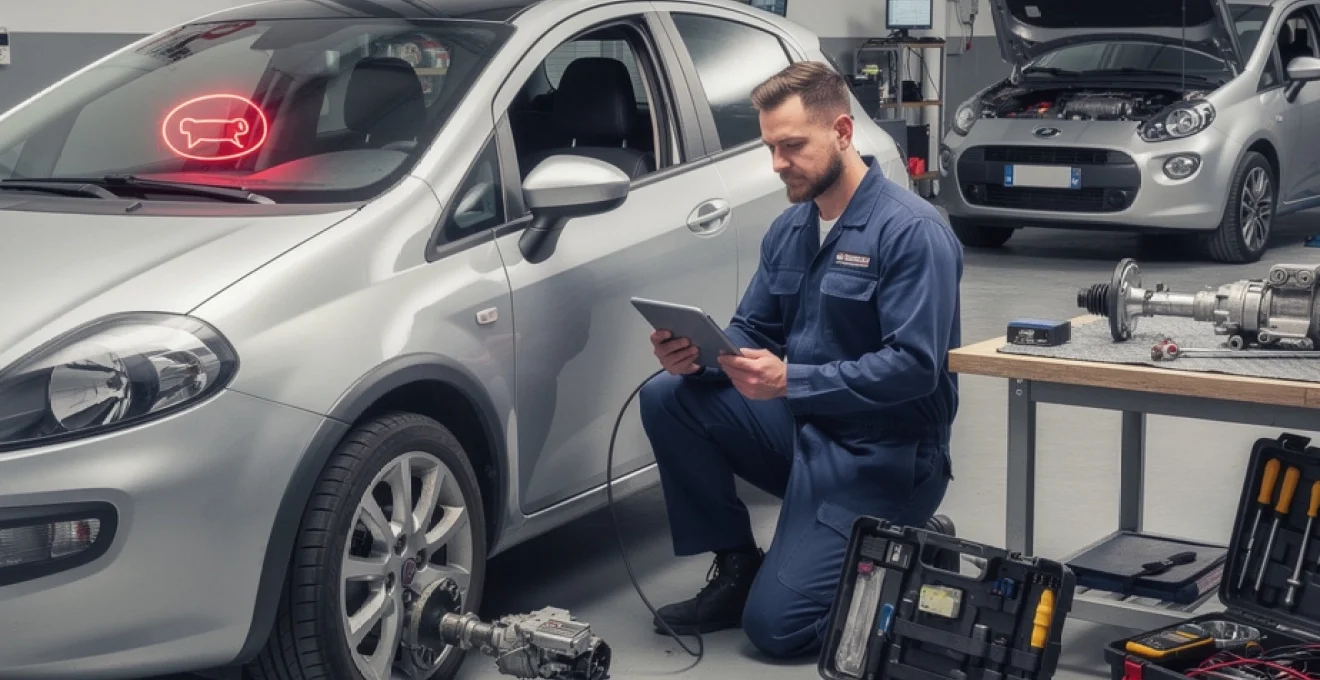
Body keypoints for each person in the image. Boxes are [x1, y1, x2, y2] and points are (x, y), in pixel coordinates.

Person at [637, 60, 963, 660]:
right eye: (770, 147)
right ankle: (738, 569)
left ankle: (910, 544)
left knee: (777, 631)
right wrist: (698, 355)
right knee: (668, 395)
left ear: (842, 132)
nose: (778, 163)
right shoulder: (791, 228)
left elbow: (917, 367)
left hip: (885, 454)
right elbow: (753, 328)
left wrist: (791, 381)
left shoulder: (911, 232)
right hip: (806, 432)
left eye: (792, 146)